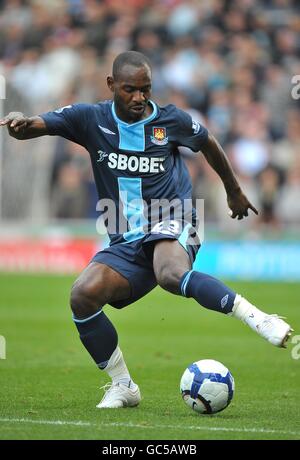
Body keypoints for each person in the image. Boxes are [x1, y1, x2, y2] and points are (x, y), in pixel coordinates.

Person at [0, 51, 293, 409]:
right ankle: (123, 385)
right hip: (126, 235)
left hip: (175, 214)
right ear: (111, 86)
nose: (139, 98)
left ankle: (258, 318)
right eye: (130, 90)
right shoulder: (89, 118)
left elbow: (209, 144)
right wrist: (17, 121)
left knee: (171, 273)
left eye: (145, 89)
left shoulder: (171, 121)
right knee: (82, 295)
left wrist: (233, 190)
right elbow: (32, 126)